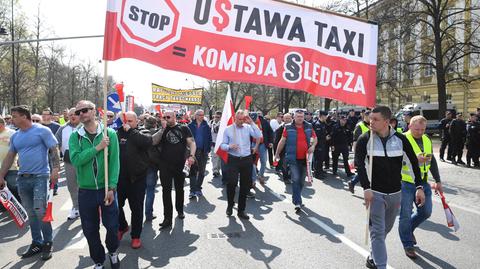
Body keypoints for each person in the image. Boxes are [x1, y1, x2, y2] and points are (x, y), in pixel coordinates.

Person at [355, 106, 425, 269]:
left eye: (375, 119)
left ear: (387, 122)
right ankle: (381, 265)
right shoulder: (364, 139)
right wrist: (366, 188)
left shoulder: (400, 139)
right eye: (370, 118)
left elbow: (414, 163)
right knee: (377, 232)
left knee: (385, 230)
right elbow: (359, 165)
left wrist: (419, 187)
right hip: (375, 194)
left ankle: (373, 255)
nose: (371, 122)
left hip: (395, 193)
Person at [0, 105, 60, 261]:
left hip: (41, 176)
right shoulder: (16, 136)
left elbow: (54, 149)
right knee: (31, 213)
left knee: (40, 210)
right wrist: (1, 176)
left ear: (24, 117)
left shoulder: (42, 131)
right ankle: (36, 242)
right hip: (22, 178)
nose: (11, 119)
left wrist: (55, 170)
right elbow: (10, 156)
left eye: (14, 116)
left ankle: (48, 242)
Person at [68, 100, 121, 269]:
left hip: (106, 189)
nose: (81, 114)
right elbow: (76, 160)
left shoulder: (109, 133)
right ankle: (98, 260)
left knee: (112, 226)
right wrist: (98, 147)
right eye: (78, 112)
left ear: (93, 111)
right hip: (86, 191)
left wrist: (112, 187)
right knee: (90, 230)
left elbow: (114, 163)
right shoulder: (75, 136)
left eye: (85, 110)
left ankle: (112, 251)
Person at [398, 115, 443, 259]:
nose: (420, 132)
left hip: (423, 182)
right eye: (417, 129)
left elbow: (432, 160)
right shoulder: (400, 139)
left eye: (423, 129)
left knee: (426, 212)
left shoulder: (426, 139)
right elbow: (393, 160)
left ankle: (408, 230)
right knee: (405, 215)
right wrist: (413, 158)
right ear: (409, 126)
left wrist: (438, 180)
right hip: (405, 182)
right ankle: (408, 244)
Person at [116, 111, 161, 249]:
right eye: (125, 120)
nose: (127, 123)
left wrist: (131, 132)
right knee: (116, 206)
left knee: (136, 209)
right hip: (119, 178)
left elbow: (148, 142)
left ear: (137, 122)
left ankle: (136, 236)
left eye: (130, 121)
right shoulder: (116, 133)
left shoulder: (142, 132)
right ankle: (123, 226)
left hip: (137, 178)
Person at [220, 110, 262, 220]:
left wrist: (252, 122)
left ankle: (241, 210)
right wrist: (229, 146)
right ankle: (230, 205)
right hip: (233, 159)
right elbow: (222, 145)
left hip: (246, 159)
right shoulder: (228, 129)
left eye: (243, 119)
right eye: (239, 119)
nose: (241, 121)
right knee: (232, 183)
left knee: (245, 185)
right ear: (234, 118)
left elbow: (259, 135)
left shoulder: (248, 128)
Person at [158, 110, 196, 229]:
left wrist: (192, 156)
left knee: (180, 189)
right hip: (165, 165)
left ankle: (180, 210)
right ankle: (167, 218)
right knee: (166, 191)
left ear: (174, 117)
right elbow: (154, 142)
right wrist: (162, 129)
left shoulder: (183, 128)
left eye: (168, 117)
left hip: (180, 164)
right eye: (164, 117)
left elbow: (192, 143)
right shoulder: (162, 129)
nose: (166, 118)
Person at [275, 110, 317, 211]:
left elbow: (315, 138)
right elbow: (282, 141)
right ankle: (297, 202)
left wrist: (313, 146)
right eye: (298, 116)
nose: (300, 118)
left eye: (302, 116)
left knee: (302, 181)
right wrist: (276, 154)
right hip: (293, 158)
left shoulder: (309, 126)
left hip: (305, 159)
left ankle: (296, 197)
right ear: (294, 117)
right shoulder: (288, 127)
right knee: (296, 178)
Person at [54, 108, 81, 220]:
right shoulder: (63, 128)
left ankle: (86, 207)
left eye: (75, 114)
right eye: (70, 115)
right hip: (69, 160)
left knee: (84, 185)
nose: (73, 116)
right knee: (72, 186)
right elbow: (56, 143)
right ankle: (76, 207)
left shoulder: (84, 127)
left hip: (85, 160)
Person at [188, 109, 212, 198]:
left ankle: (198, 188)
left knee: (202, 171)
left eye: (203, 115)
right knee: (193, 171)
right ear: (196, 115)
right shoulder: (190, 125)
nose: (202, 116)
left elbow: (209, 138)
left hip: (203, 151)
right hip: (193, 152)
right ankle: (192, 191)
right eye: (200, 115)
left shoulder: (206, 126)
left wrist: (208, 149)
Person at [348, 111, 371, 193]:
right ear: (365, 116)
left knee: (368, 170)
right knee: (364, 170)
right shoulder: (359, 126)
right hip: (362, 152)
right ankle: (354, 183)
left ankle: (353, 182)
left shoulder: (371, 125)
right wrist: (356, 154)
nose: (371, 118)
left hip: (371, 151)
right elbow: (355, 141)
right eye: (369, 116)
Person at [0, 116, 20, 206]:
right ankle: (3, 205)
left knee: (13, 186)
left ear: (2, 124)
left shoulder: (12, 133)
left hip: (11, 166)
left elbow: (19, 147)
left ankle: (18, 204)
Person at [144, 116, 161, 221]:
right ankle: (148, 214)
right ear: (155, 124)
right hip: (152, 166)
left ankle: (138, 214)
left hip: (141, 166)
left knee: (140, 193)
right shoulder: (158, 134)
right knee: (150, 191)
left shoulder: (139, 132)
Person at [41, 108, 61, 195]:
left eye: (47, 114)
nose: (44, 116)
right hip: (42, 152)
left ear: (51, 116)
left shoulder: (57, 126)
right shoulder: (40, 125)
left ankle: (54, 187)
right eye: (43, 114)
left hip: (53, 152)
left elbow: (59, 140)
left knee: (54, 169)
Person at [273, 113, 292, 183]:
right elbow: (276, 141)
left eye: (289, 118)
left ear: (291, 118)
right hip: (283, 150)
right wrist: (276, 153)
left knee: (292, 165)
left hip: (292, 149)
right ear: (283, 119)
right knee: (285, 165)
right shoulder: (280, 129)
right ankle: (286, 178)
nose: (287, 120)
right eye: (286, 118)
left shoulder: (294, 127)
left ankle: (290, 176)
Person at [312, 111, 329, 178]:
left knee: (321, 159)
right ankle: (317, 174)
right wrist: (325, 138)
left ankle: (320, 171)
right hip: (318, 145)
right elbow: (317, 137)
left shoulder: (323, 123)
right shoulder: (317, 124)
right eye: (326, 116)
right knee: (318, 160)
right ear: (322, 116)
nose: (327, 117)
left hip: (322, 144)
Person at [210, 111, 222, 178]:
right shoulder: (211, 123)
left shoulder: (223, 124)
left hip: (221, 144)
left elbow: (216, 130)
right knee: (214, 158)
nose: (216, 118)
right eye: (215, 116)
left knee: (219, 159)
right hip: (213, 143)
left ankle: (218, 169)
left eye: (218, 117)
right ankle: (215, 171)